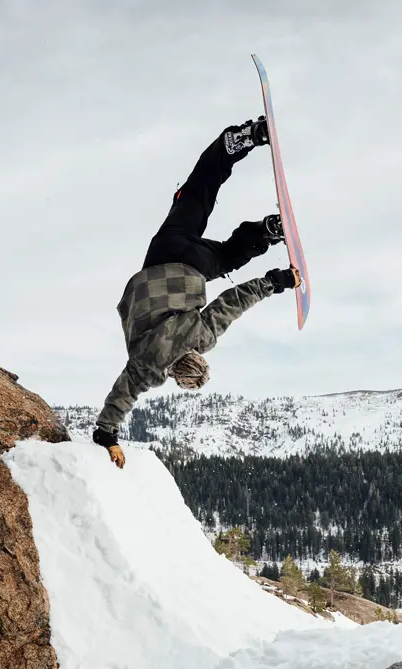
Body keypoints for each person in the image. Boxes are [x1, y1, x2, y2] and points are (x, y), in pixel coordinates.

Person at [91, 118, 301, 468]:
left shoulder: (197, 339)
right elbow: (118, 401)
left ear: (197, 360)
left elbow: (233, 302)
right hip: (159, 255)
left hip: (194, 267)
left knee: (224, 244)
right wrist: (107, 437)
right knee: (194, 197)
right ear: (175, 374)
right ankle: (243, 156)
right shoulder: (144, 366)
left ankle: (262, 224)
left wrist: (278, 281)